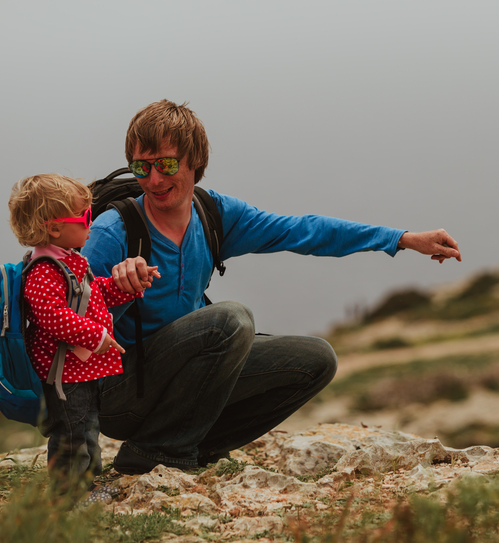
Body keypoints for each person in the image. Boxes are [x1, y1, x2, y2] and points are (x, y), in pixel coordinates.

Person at [83, 100, 461, 475]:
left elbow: (303, 231)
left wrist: (401, 238)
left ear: (195, 161)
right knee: (231, 321)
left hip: (181, 382)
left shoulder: (214, 215)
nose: (154, 180)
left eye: (165, 164)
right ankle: (157, 450)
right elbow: (67, 332)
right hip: (122, 394)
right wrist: (114, 292)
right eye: (141, 167)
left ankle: (192, 446)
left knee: (315, 360)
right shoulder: (112, 233)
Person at [8, 174, 159, 485]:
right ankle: (70, 493)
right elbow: (53, 316)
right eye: (86, 216)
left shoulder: (68, 261)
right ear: (54, 227)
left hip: (79, 370)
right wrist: (97, 337)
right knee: (73, 433)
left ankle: (88, 482)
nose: (91, 221)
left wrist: (126, 287)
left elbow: (94, 294)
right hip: (63, 375)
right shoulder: (44, 271)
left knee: (87, 427)